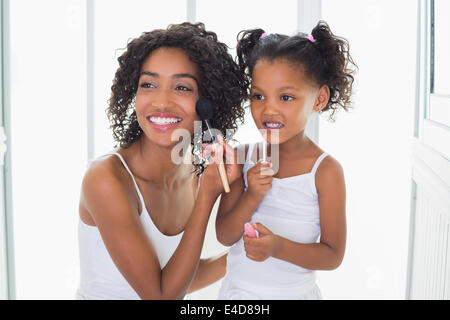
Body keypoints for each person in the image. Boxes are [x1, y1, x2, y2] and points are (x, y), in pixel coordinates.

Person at [76, 22, 246, 300]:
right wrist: (206, 198)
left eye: (181, 87)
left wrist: (247, 255)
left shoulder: (194, 170)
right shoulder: (105, 178)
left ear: (207, 102)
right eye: (149, 84)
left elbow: (177, 278)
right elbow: (159, 295)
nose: (161, 102)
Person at [215, 20, 357, 299]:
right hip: (237, 295)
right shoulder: (242, 157)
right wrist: (251, 194)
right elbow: (224, 235)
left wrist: (278, 248)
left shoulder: (325, 171)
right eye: (258, 95)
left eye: (286, 97)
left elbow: (332, 255)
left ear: (319, 99)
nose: (269, 109)